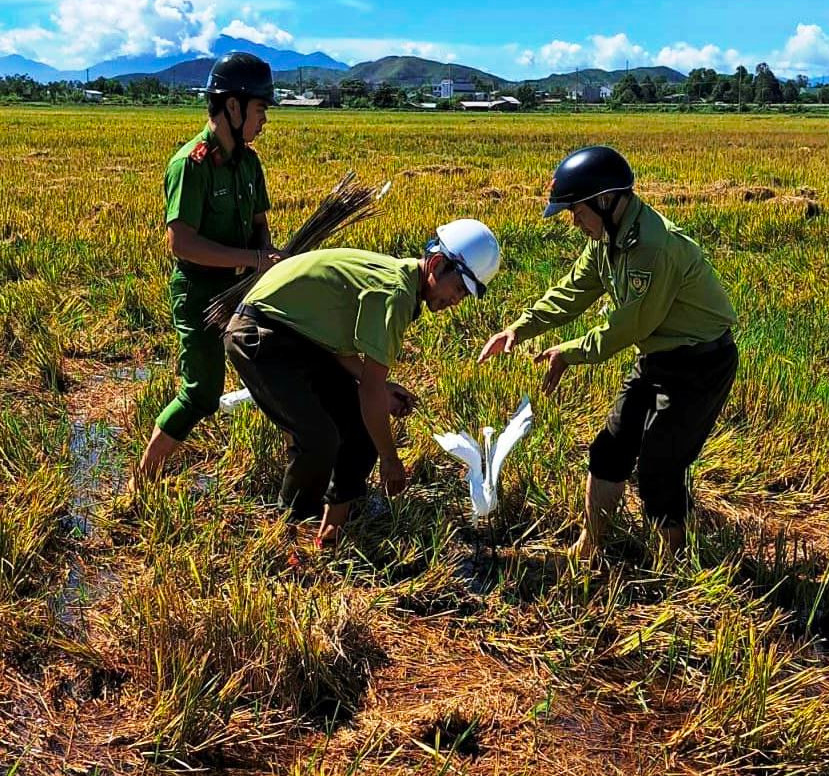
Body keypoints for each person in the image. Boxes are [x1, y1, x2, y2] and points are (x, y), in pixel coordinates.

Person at [478, 146, 737, 560]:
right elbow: (572, 291)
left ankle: (673, 559)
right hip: (656, 358)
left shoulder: (654, 246)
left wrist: (569, 352)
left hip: (698, 364)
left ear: (605, 200)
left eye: (577, 210)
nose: (574, 221)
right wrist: (517, 329)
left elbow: (630, 326)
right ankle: (590, 545)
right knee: (609, 449)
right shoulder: (608, 238)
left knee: (659, 468)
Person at [223, 218, 501, 542]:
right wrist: (390, 459)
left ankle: (329, 534)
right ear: (437, 265)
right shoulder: (396, 293)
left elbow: (339, 346)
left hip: (303, 340)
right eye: (458, 289)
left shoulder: (401, 283)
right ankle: (287, 532)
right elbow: (369, 392)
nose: (456, 301)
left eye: (465, 296)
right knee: (319, 438)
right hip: (261, 336)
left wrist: (382, 389)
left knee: (360, 432)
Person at [133, 51, 281, 486]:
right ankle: (142, 480)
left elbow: (259, 224)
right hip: (200, 294)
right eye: (259, 110)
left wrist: (266, 259)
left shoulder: (249, 164)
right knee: (201, 394)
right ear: (232, 107)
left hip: (244, 290)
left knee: (278, 362)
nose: (264, 121)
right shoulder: (190, 164)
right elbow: (181, 242)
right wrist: (252, 260)